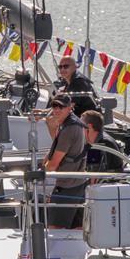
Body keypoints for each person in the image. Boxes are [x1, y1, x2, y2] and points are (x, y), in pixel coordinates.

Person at [42, 93, 87, 229]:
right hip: (78, 183)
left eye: (61, 107)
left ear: (70, 107)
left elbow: (52, 166)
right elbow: (59, 146)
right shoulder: (71, 123)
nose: (57, 110)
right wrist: (51, 127)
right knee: (76, 228)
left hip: (67, 186)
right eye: (54, 106)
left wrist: (40, 170)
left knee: (54, 228)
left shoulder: (69, 129)